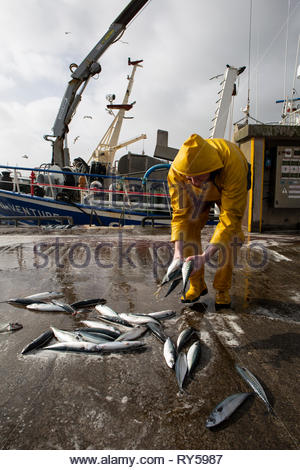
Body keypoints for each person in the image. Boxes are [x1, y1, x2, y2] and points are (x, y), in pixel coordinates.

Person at [167, 134, 249, 309]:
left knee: (231, 235)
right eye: (190, 178)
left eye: (198, 177)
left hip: (227, 188)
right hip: (198, 196)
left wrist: (205, 257)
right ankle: (196, 285)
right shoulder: (177, 172)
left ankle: (222, 288)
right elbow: (179, 215)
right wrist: (177, 253)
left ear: (213, 168)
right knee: (188, 229)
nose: (194, 182)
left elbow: (230, 218)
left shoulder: (233, 164)